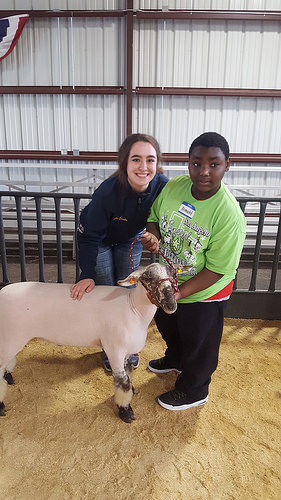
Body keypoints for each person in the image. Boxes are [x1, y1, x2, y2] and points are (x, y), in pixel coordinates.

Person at [141, 131, 246, 411]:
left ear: (227, 165)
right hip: (171, 281)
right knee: (170, 327)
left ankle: (195, 389)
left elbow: (218, 269)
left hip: (205, 290)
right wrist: (153, 237)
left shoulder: (229, 214)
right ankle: (175, 359)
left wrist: (177, 293)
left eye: (214, 164)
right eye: (196, 163)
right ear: (187, 163)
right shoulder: (175, 185)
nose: (204, 172)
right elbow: (154, 219)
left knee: (200, 341)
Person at [70, 133, 168, 371]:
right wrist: (87, 273)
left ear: (157, 163)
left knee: (127, 288)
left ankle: (128, 342)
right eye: (136, 159)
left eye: (150, 160)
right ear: (124, 163)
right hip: (100, 239)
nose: (143, 167)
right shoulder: (107, 192)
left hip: (129, 237)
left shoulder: (164, 185)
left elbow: (163, 216)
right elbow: (90, 236)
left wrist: (156, 235)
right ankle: (110, 344)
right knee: (105, 288)